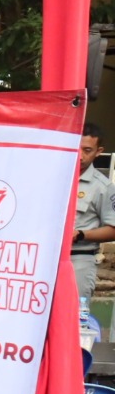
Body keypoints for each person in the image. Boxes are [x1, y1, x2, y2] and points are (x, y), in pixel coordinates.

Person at [72, 123, 114, 303]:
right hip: (45, 259)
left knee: (74, 319)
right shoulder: (54, 178)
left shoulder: (102, 187)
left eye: (87, 150)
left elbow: (113, 229)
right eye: (76, 148)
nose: (80, 155)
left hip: (79, 260)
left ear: (98, 151)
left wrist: (81, 234)